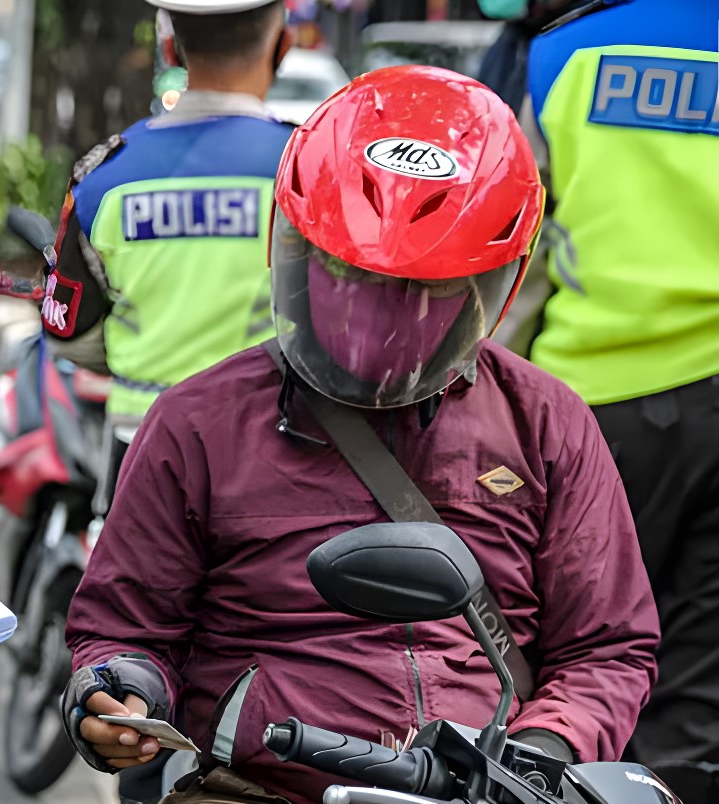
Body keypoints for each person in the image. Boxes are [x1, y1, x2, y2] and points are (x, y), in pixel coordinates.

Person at [59, 65, 659, 804]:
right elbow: (125, 627)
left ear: (483, 291)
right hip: (260, 784)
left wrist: (540, 751)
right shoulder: (197, 423)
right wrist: (118, 693)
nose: (380, 322)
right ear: (296, 255)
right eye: (349, 278)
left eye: (424, 294)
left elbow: (606, 646)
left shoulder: (543, 421)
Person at [521, 1, 719, 800]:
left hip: (587, 405)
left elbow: (517, 234)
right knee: (700, 679)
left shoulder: (560, 53)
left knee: (576, 656)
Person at [41, 0, 296, 421]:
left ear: (170, 48)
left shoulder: (104, 179)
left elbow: (65, 333)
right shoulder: (304, 167)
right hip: (268, 444)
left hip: (138, 443)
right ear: (283, 46)